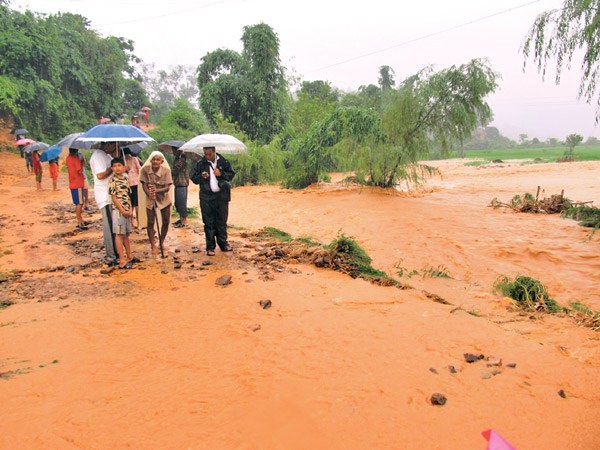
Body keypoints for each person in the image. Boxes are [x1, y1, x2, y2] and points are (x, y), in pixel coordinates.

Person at [190, 146, 235, 256]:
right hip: (206, 197)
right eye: (205, 154)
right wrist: (201, 176)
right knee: (208, 222)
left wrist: (221, 174)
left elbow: (231, 175)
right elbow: (194, 179)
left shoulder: (224, 161)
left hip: (221, 197)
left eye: (209, 154)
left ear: (214, 152)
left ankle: (223, 243)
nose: (207, 156)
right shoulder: (201, 164)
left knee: (222, 221)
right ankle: (210, 247)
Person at [89, 142, 118, 265]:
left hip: (110, 194)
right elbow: (101, 175)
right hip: (104, 195)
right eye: (113, 145)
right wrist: (113, 168)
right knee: (109, 225)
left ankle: (115, 251)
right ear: (108, 145)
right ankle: (111, 255)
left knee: (113, 225)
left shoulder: (106, 155)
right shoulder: (98, 155)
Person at [139, 151, 173, 255]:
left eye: (158, 160)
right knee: (150, 222)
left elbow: (167, 187)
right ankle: (152, 245)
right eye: (153, 159)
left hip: (163, 197)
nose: (155, 161)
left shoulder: (166, 171)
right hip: (150, 197)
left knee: (166, 220)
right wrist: (149, 193)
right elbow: (144, 184)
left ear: (162, 161)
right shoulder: (145, 170)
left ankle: (161, 242)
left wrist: (156, 191)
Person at [108, 157, 137, 269]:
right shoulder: (113, 180)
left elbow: (128, 195)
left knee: (126, 234)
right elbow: (114, 197)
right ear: (112, 168)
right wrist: (122, 210)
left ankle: (130, 256)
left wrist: (130, 209)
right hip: (118, 211)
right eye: (114, 166)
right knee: (119, 234)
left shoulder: (125, 179)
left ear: (124, 167)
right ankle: (122, 260)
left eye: (119, 165)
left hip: (127, 210)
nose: (117, 168)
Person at [65, 148, 89, 229]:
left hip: (73, 182)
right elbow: (79, 170)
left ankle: (80, 219)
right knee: (79, 203)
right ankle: (79, 220)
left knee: (77, 202)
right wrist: (81, 161)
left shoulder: (68, 158)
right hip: (78, 183)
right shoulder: (75, 159)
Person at [123, 148, 141, 227]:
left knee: (131, 204)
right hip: (135, 183)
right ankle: (138, 221)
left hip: (129, 183)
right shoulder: (133, 159)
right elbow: (139, 169)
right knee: (136, 203)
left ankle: (133, 222)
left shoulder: (124, 161)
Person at [172, 147, 189, 228]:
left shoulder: (182, 160)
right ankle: (181, 219)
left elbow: (176, 169)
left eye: (174, 150)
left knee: (182, 203)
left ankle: (184, 221)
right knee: (178, 203)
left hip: (182, 184)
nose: (173, 152)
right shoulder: (178, 159)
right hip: (178, 183)